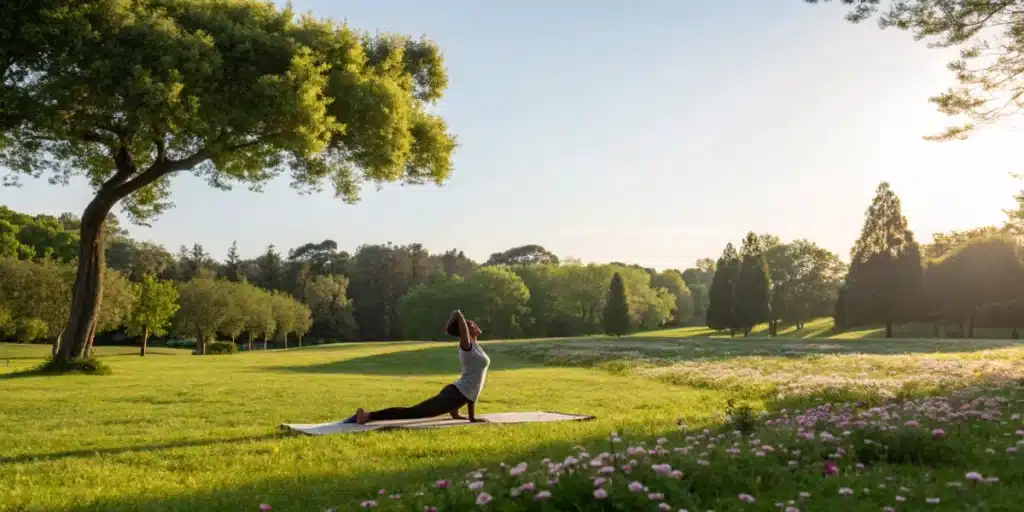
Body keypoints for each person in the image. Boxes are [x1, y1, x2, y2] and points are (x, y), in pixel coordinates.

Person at [346, 309, 491, 425]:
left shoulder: (476, 347)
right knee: (413, 412)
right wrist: (454, 320)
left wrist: (469, 416)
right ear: (464, 331)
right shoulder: (467, 346)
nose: (475, 325)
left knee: (415, 411)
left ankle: (454, 411)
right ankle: (367, 416)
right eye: (471, 325)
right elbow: (457, 313)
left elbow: (474, 385)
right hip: (454, 395)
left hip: (457, 395)